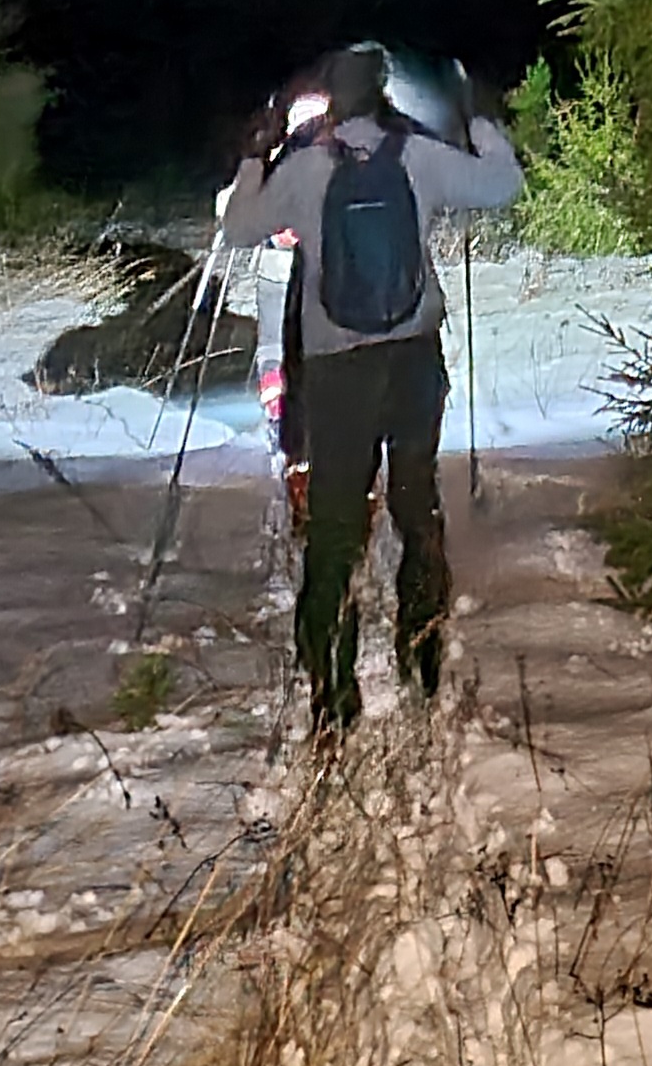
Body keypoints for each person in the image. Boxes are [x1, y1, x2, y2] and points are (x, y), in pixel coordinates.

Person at [215, 39, 522, 722]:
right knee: (416, 508)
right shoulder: (418, 157)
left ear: (331, 97)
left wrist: (255, 152)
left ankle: (333, 691)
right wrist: (479, 121)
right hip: (412, 361)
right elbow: (502, 185)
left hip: (336, 372)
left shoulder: (304, 167)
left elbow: (238, 227)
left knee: (334, 529)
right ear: (382, 90)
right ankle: (424, 659)